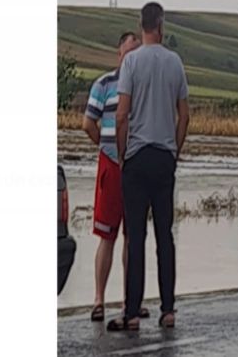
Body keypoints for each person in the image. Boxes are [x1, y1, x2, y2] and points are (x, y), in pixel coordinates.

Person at [108, 2, 189, 332]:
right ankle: (168, 308)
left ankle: (130, 312)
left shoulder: (131, 62)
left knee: (135, 237)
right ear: (161, 25)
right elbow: (184, 115)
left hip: (137, 157)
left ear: (141, 26)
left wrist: (122, 153)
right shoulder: (175, 62)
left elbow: (121, 114)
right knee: (165, 235)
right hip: (163, 157)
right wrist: (175, 151)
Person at [82, 31, 149, 322]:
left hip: (136, 165)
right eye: (128, 53)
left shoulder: (144, 87)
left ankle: (129, 301)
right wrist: (105, 145)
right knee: (106, 235)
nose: (131, 58)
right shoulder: (104, 84)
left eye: (137, 52)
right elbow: (88, 123)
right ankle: (98, 299)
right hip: (111, 164)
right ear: (119, 54)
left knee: (133, 238)